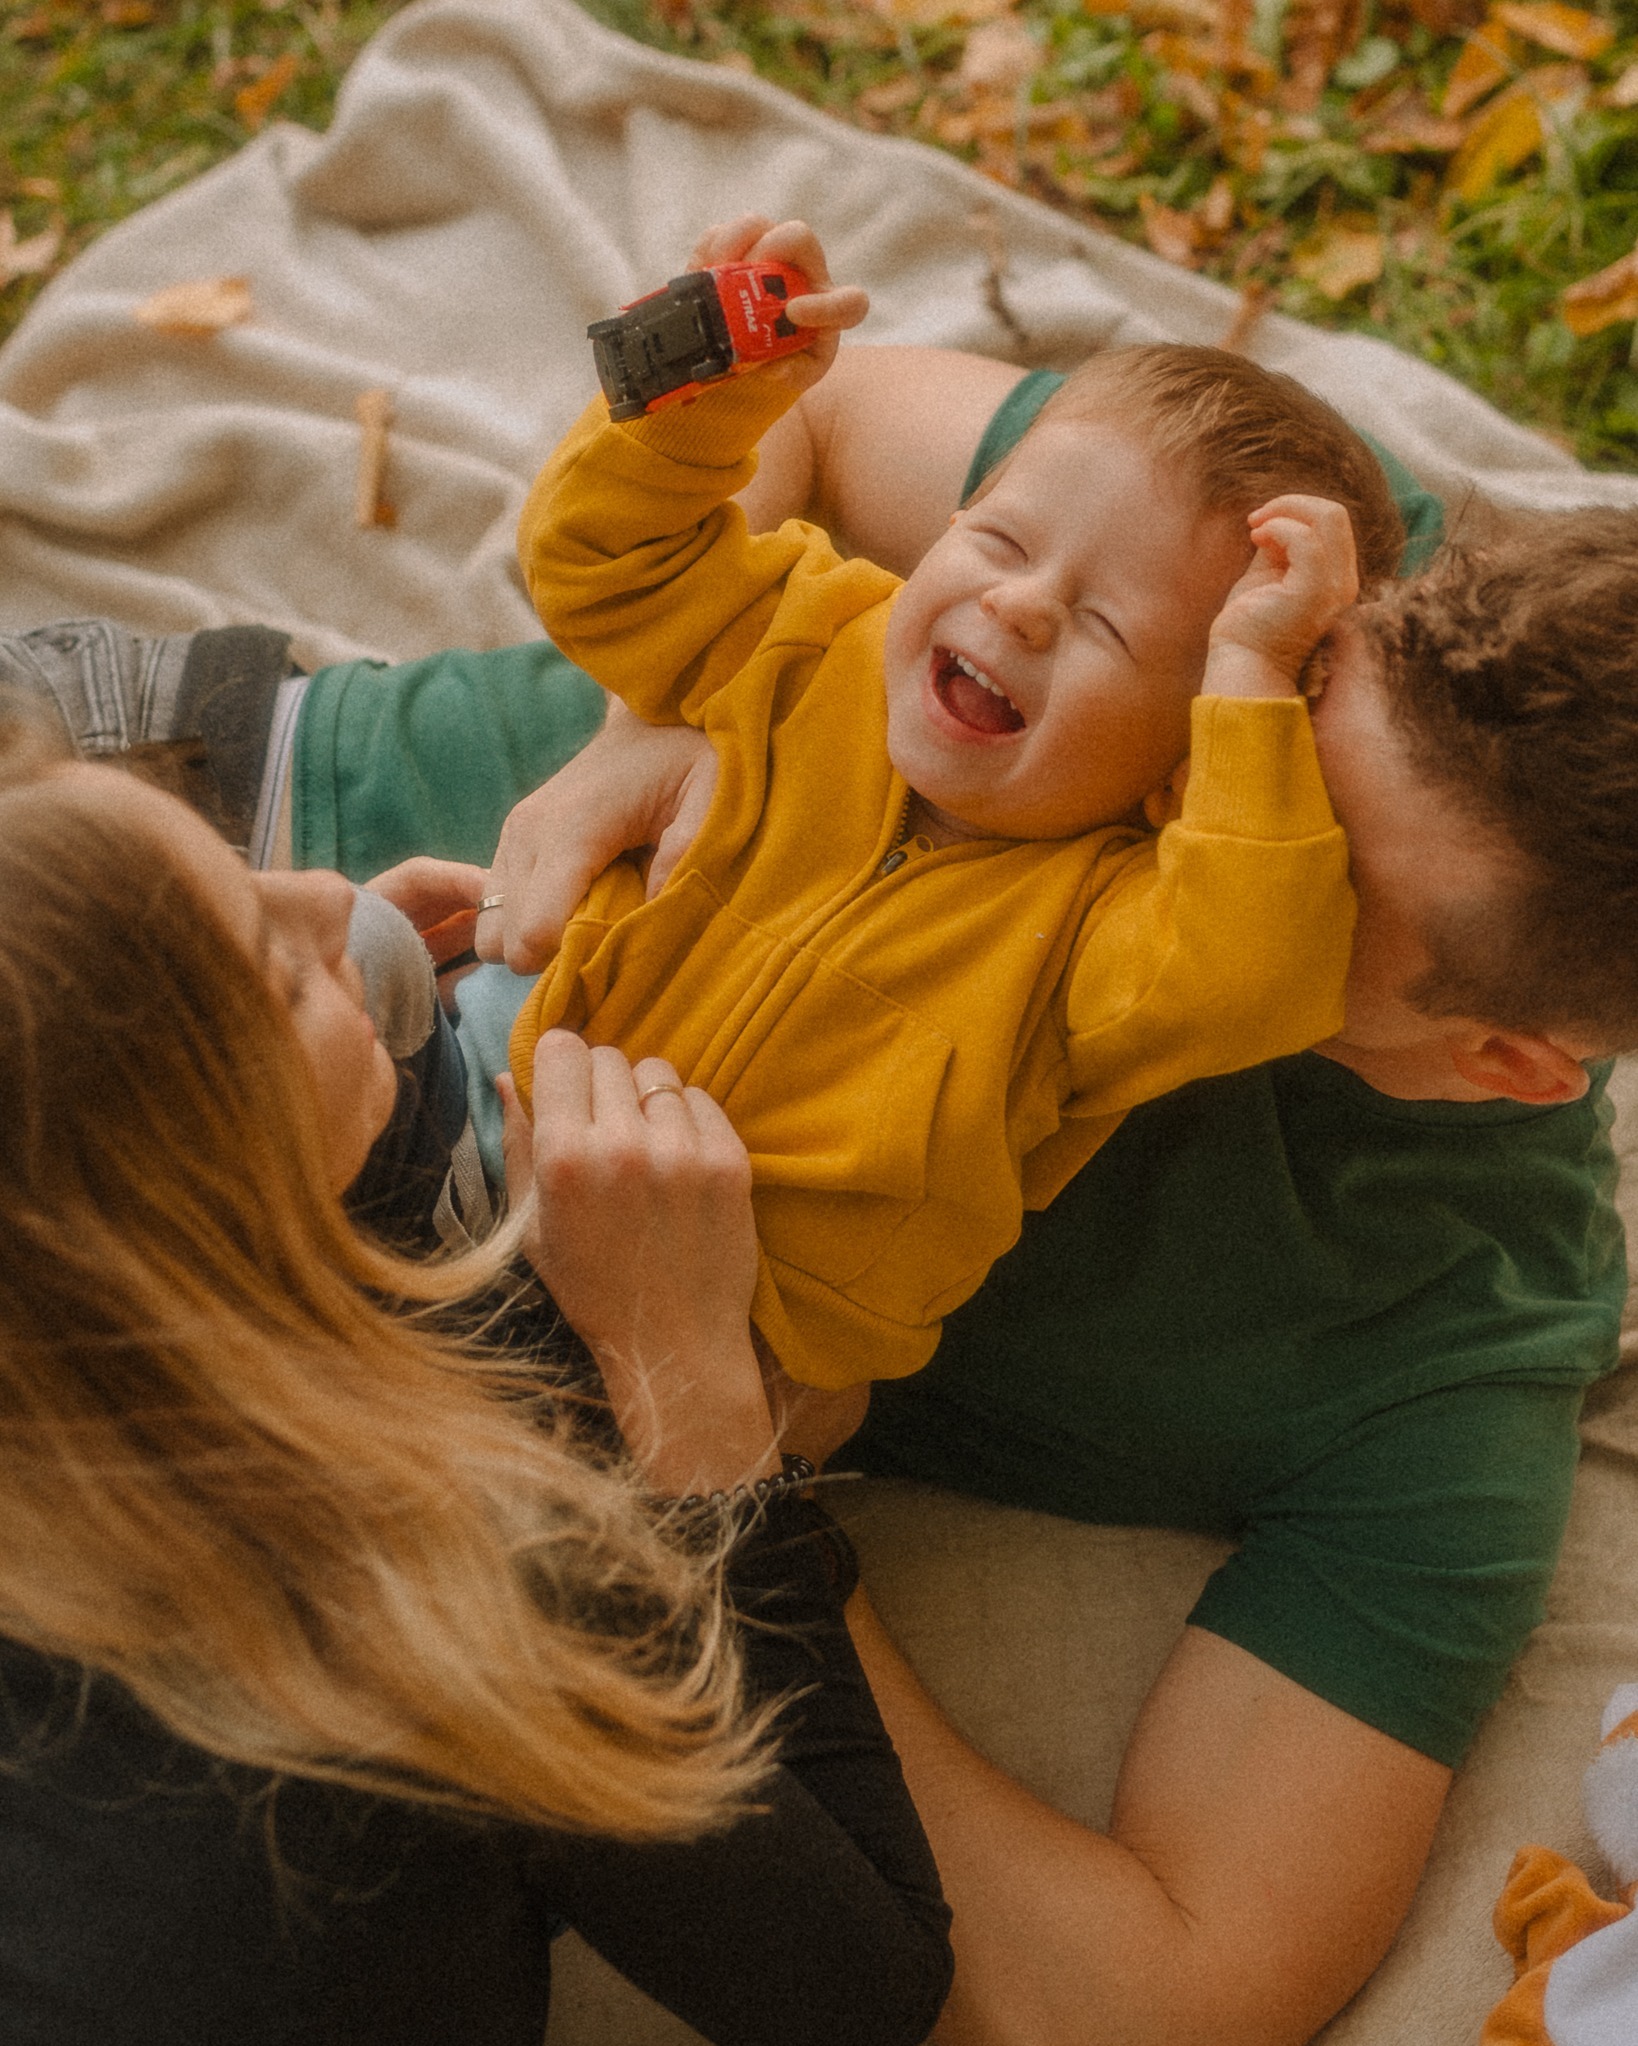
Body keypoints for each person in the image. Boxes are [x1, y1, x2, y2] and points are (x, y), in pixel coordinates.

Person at [6, 342, 1629, 2043]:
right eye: (1269, 713)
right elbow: (832, 413)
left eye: (1303, 848)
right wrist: (661, 719)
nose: (1191, 784)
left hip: (177, 1319)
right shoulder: (1299, 541)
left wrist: (692, 1430)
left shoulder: (1443, 1363)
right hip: (187, 792)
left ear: (1505, 1055)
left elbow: (1155, 1990)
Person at [0, 701, 953, 2046]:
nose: (333, 893)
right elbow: (864, 1985)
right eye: (275, 964)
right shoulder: (456, 1582)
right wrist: (689, 1390)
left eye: (246, 863)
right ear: (196, 1207)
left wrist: (330, 1095)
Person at [502, 213, 1401, 1397]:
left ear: (1180, 765)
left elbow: (1256, 975)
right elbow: (601, 566)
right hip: (498, 1118)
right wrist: (714, 393)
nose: (1021, 607)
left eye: (1108, 626)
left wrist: (1248, 672)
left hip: (730, 1343)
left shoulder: (1101, 929)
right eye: (1000, 538)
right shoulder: (813, 634)